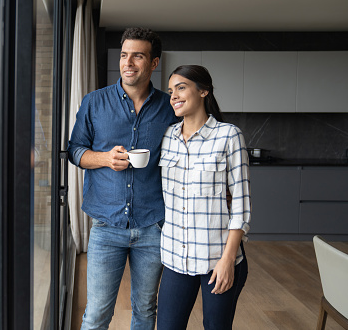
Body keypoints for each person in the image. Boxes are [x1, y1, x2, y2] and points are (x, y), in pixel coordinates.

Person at [67, 27, 178, 329]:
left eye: (138, 56)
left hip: (153, 226)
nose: (128, 62)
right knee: (97, 314)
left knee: (145, 310)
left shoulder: (170, 109)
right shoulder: (94, 102)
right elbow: (74, 151)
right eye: (124, 55)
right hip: (106, 225)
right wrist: (104, 158)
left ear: (154, 63)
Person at [157, 65, 251, 330]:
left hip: (217, 259)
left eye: (181, 87)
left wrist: (228, 260)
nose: (173, 95)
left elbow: (242, 205)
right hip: (176, 258)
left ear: (204, 91)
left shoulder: (229, 136)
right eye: (171, 90)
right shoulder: (167, 138)